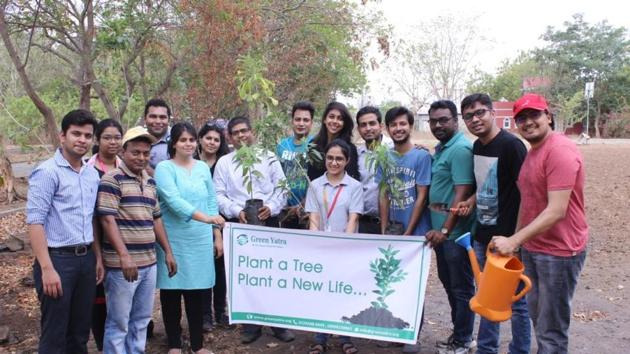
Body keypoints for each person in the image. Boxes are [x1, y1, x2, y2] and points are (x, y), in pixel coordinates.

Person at [491, 93, 588, 354]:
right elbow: (528, 201)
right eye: (521, 118)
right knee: (538, 319)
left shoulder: (559, 150)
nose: (528, 122)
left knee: (551, 330)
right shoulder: (534, 152)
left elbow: (556, 210)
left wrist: (513, 240)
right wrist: (518, 242)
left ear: (548, 116)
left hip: (559, 252)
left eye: (534, 115)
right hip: (534, 248)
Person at [26, 109, 104, 354]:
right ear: (62, 136)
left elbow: (91, 218)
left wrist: (97, 258)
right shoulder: (47, 172)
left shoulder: (92, 174)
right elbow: (35, 221)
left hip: (86, 261)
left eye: (87, 135)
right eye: (76, 134)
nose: (82, 140)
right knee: (55, 333)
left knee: (80, 332)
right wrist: (47, 268)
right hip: (58, 261)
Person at [458, 94, 530, 354]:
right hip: (483, 235)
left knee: (517, 302)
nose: (475, 119)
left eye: (480, 113)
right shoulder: (478, 146)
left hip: (508, 239)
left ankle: (520, 349)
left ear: (492, 113)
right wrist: (471, 201)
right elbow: (487, 181)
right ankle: (487, 349)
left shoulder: (512, 146)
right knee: (488, 297)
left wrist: (517, 239)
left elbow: (526, 193)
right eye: (469, 116)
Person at [213, 116, 295, 344]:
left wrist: (271, 206)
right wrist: (236, 210)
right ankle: (251, 325)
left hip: (269, 223)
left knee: (273, 273)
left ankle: (279, 324)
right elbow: (218, 194)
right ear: (229, 137)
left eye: (244, 131)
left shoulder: (268, 157)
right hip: (241, 226)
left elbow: (282, 187)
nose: (241, 136)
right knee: (246, 275)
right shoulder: (225, 163)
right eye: (236, 132)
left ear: (252, 132)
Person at [97, 126, 178, 353]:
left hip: (149, 263)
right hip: (123, 266)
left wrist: (168, 252)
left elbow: (157, 219)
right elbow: (106, 220)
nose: (141, 157)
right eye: (135, 152)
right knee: (119, 322)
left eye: (145, 153)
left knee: (141, 319)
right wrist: (124, 256)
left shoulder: (150, 182)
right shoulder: (112, 179)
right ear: (123, 152)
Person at [154, 122, 226, 354]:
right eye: (183, 139)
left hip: (200, 239)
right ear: (173, 143)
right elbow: (174, 202)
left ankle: (198, 345)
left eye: (191, 140)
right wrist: (206, 219)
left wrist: (216, 235)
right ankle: (174, 343)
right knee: (171, 291)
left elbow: (212, 201)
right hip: (173, 238)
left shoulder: (203, 168)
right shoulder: (164, 168)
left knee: (197, 291)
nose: (188, 144)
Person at [376, 106, 431, 354]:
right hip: (394, 231)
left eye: (403, 124)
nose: (398, 128)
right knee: (393, 283)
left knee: (414, 285)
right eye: (393, 125)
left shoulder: (421, 157)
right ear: (387, 129)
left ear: (410, 126)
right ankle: (395, 331)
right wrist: (384, 228)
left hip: (416, 231)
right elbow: (384, 194)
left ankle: (411, 336)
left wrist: (410, 231)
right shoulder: (385, 157)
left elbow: (421, 196)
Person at [424, 100, 476, 354]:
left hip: (454, 235)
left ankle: (464, 340)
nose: (437, 124)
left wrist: (444, 230)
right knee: (450, 284)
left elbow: (461, 192)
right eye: (433, 120)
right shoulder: (443, 148)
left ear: (455, 120)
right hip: (442, 236)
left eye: (443, 119)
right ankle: (459, 335)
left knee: (462, 288)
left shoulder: (460, 149)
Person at [304, 139, 363, 354]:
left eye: (339, 158)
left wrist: (343, 247)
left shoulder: (355, 186)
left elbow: (353, 218)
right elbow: (314, 218)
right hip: (322, 250)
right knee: (322, 293)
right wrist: (317, 245)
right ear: (324, 159)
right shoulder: (315, 185)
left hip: (346, 249)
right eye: (330, 158)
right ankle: (320, 338)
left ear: (347, 161)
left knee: (344, 292)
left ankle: (346, 338)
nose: (334, 162)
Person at [86, 118, 123, 351]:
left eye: (117, 137)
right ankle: (102, 343)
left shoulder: (128, 166)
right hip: (97, 238)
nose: (113, 142)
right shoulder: (87, 170)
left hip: (125, 240)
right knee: (99, 295)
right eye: (107, 137)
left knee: (122, 296)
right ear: (97, 140)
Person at [196, 121, 231, 331]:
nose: (212, 142)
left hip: (221, 220)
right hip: (198, 222)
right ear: (200, 139)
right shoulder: (191, 163)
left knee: (219, 269)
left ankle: (220, 311)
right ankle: (204, 315)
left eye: (216, 139)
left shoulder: (225, 163)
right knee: (202, 269)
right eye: (208, 138)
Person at [276, 101, 315, 229]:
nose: (301, 123)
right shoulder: (282, 145)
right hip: (284, 209)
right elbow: (276, 176)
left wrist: (303, 205)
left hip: (308, 211)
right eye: (297, 119)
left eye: (306, 120)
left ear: (311, 123)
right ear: (292, 121)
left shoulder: (315, 145)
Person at [355, 105, 394, 234]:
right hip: (364, 223)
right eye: (363, 125)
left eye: (372, 123)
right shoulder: (357, 155)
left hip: (393, 223)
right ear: (358, 129)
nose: (368, 128)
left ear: (381, 126)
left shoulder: (394, 149)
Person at [307, 101, 360, 181]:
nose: (335, 121)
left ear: (344, 123)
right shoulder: (314, 145)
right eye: (331, 117)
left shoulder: (350, 149)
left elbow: (352, 178)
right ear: (325, 119)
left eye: (340, 118)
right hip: (316, 191)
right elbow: (310, 175)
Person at [144, 98, 172, 177]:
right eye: (153, 117)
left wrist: (152, 173)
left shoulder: (177, 141)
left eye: (162, 117)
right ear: (145, 118)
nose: (158, 121)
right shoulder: (136, 139)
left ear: (168, 120)